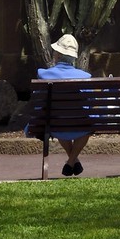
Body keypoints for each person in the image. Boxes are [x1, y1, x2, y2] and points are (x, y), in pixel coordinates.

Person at [36, 33, 93, 176]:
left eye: (55, 51)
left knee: (56, 115)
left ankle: (71, 161)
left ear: (59, 55)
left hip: (55, 123)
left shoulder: (43, 74)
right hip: (79, 126)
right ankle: (72, 161)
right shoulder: (85, 77)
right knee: (88, 125)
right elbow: (89, 106)